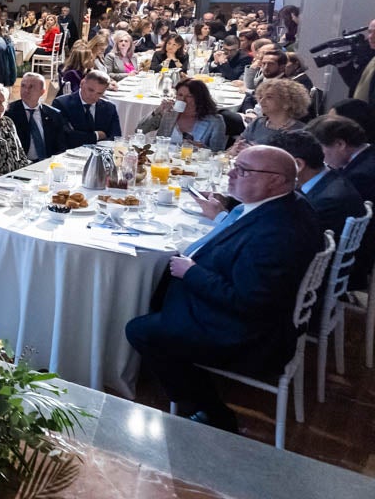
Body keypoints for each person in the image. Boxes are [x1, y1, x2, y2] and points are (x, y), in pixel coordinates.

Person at [125, 146, 324, 432]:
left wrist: (192, 272)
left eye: (243, 171)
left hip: (246, 335)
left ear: (277, 180)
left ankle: (212, 412)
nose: (231, 175)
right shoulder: (287, 205)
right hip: (259, 312)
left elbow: (246, 300)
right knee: (157, 288)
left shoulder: (277, 233)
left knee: (139, 329)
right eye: (235, 166)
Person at [271, 129, 369, 289]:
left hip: (314, 282)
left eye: (272, 167)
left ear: (298, 165)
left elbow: (283, 245)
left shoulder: (327, 201)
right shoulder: (329, 178)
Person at [136, 78, 228, 151]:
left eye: (189, 96)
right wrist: (158, 110)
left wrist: (202, 149)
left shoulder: (215, 121)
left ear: (200, 98)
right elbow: (140, 129)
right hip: (163, 160)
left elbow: (218, 153)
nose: (183, 100)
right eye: (180, 95)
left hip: (193, 166)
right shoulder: (169, 114)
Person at [233, 78, 310, 151]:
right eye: (261, 97)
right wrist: (234, 150)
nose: (262, 101)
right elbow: (235, 147)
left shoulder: (300, 132)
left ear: (287, 103)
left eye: (269, 97)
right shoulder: (257, 123)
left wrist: (254, 152)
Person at [53, 70, 121, 148]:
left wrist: (80, 135)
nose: (93, 96)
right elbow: (65, 137)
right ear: (82, 83)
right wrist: (97, 135)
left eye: (99, 93)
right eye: (91, 90)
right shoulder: (61, 104)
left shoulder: (109, 108)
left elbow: (115, 139)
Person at [7, 72, 65, 162]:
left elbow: (60, 145)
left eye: (31, 87)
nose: (26, 90)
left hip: (47, 163)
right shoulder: (9, 113)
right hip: (20, 165)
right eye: (23, 86)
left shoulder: (53, 114)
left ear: (42, 92)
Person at [346, 18, 375, 103]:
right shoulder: (371, 58)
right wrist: (344, 66)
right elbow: (358, 86)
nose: (371, 37)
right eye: (369, 32)